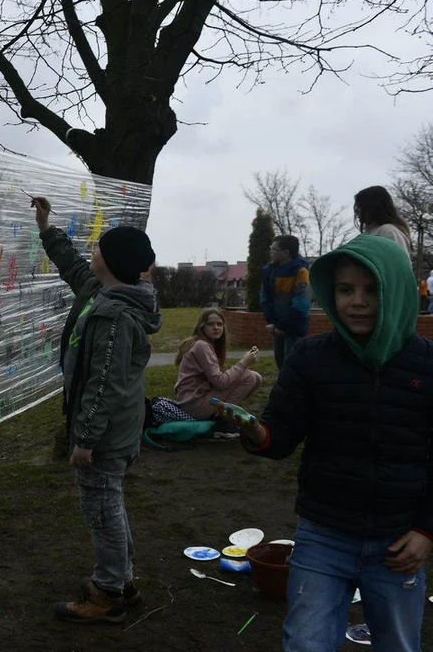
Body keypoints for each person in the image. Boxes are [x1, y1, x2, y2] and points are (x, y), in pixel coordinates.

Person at [221, 235, 432, 652]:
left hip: (399, 542)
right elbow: (280, 433)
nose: (357, 301)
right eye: (344, 289)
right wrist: (255, 432)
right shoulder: (309, 357)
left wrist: (427, 529)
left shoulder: (426, 365)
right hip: (324, 535)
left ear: (398, 291)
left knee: (399, 644)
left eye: (372, 290)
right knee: (306, 641)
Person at [31, 196, 161, 624]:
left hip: (104, 435)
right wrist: (46, 227)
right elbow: (72, 266)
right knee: (111, 504)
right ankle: (121, 579)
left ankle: (107, 594)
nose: (93, 252)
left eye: (100, 248)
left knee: (102, 510)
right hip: (114, 430)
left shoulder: (115, 316)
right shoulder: (102, 291)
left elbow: (103, 385)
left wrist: (85, 439)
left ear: (113, 262)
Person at [173, 308, 262, 421]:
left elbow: (217, 379)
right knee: (249, 377)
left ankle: (223, 415)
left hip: (197, 400)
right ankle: (222, 421)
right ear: (202, 327)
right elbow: (220, 383)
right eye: (210, 324)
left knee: (257, 378)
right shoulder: (201, 346)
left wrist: (243, 364)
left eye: (219, 324)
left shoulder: (205, 344)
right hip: (194, 405)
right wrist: (244, 362)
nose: (216, 327)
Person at [261, 234, 311, 368]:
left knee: (292, 364)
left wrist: (280, 325)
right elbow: (264, 297)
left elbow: (302, 304)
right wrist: (271, 322)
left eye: (274, 249)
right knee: (280, 362)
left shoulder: (301, 272)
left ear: (286, 252)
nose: (271, 252)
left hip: (294, 328)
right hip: (276, 327)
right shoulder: (269, 272)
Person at [354, 184, 412, 254]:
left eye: (360, 206)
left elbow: (397, 262)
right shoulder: (368, 234)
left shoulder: (388, 231)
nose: (357, 211)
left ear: (372, 207)